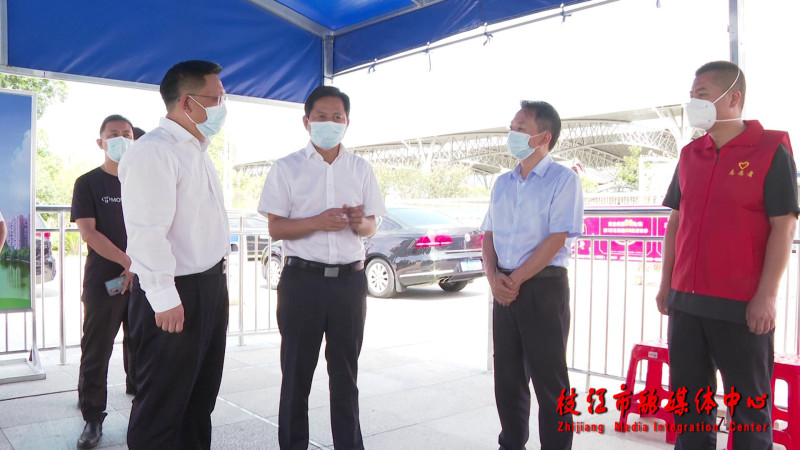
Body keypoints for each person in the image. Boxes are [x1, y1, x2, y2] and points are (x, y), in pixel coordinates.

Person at [657, 61, 798, 449]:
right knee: (689, 407)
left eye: (701, 94)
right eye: (691, 96)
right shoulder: (690, 154)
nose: (693, 103)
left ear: (733, 98)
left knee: (748, 410)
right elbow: (676, 222)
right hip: (686, 303)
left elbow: (784, 227)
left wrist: (766, 297)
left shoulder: (771, 150)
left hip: (740, 304)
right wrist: (667, 283)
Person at [257, 85, 385, 450]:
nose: (330, 123)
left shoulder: (361, 168)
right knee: (296, 377)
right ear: (306, 121)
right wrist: (318, 221)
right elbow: (276, 228)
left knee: (346, 376)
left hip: (349, 283)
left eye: (337, 117)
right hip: (302, 282)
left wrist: (360, 223)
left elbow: (372, 225)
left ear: (347, 122)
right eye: (322, 117)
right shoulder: (286, 168)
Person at [118, 60, 230, 449]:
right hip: (176, 293)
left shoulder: (197, 150)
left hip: (209, 286)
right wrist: (164, 297)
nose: (222, 107)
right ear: (186, 102)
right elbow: (147, 232)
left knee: (199, 400)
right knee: (163, 406)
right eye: (216, 99)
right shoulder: (154, 151)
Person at [482, 101, 584, 450]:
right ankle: (511, 443)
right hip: (504, 288)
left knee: (550, 381)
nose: (512, 134)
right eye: (511, 127)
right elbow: (489, 234)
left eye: (521, 128)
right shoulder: (502, 183)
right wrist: (493, 278)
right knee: (507, 378)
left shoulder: (563, 180)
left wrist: (518, 279)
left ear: (544, 137)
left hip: (543, 288)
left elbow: (557, 238)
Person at [71, 114, 137, 449]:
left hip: (142, 278)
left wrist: (138, 266)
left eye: (127, 134)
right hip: (104, 280)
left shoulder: (143, 182)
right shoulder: (88, 183)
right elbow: (89, 232)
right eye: (114, 134)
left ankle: (141, 402)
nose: (121, 139)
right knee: (97, 348)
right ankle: (93, 417)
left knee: (142, 345)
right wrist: (127, 262)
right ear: (101, 142)